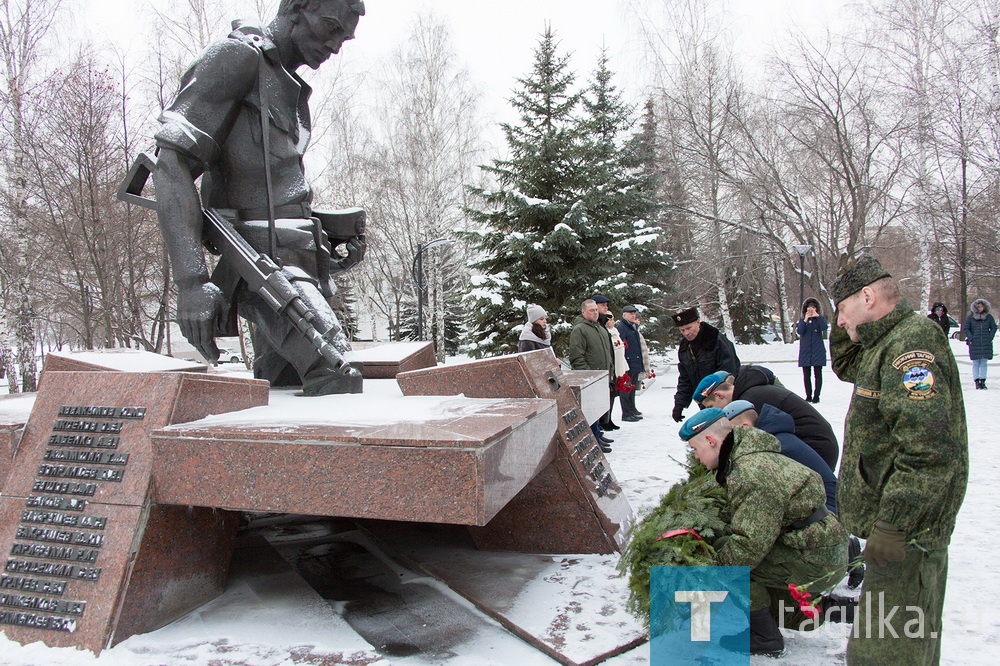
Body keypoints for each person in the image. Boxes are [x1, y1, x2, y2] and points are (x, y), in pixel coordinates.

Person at [152, 0, 367, 395]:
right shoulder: (238, 58)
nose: (335, 46)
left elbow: (269, 188)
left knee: (282, 387)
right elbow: (170, 164)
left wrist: (326, 244)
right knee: (336, 371)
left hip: (295, 259)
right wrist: (191, 281)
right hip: (259, 265)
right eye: (331, 27)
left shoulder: (285, 80)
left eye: (344, 38)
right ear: (297, 9)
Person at [830, 255, 968, 665]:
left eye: (842, 310)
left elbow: (928, 450)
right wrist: (845, 305)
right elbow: (845, 363)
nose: (838, 322)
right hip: (895, 529)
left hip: (908, 533)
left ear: (868, 297)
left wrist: (893, 524)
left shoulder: (911, 344)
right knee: (890, 646)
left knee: (887, 653)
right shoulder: (883, 343)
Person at [679, 409, 849, 657]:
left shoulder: (751, 474)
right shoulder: (751, 457)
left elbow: (747, 548)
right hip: (818, 548)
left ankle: (764, 637)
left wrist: (705, 571)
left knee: (730, 564)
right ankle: (829, 608)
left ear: (710, 441)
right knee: (785, 614)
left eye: (695, 449)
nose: (696, 457)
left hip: (814, 557)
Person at [694, 366, 840, 472]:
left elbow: (754, 445)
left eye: (712, 406)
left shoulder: (752, 401)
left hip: (816, 450)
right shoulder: (752, 391)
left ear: (720, 395)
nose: (717, 412)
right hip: (818, 446)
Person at [722, 400, 837, 514]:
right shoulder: (775, 436)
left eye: (730, 432)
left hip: (828, 512)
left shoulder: (776, 447)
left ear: (745, 427)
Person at [671, 307, 740, 423]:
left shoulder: (716, 340)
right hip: (705, 400)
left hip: (725, 399)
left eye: (689, 328)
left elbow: (729, 372)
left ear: (698, 322)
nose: (686, 333)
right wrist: (680, 404)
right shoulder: (684, 348)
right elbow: (685, 378)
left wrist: (719, 395)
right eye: (682, 330)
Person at [569, 299, 614, 452]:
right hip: (590, 379)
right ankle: (593, 440)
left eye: (596, 310)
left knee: (598, 410)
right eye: (591, 310)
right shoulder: (580, 329)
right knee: (591, 412)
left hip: (602, 378)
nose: (595, 312)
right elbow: (576, 356)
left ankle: (597, 435)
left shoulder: (600, 329)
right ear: (583, 312)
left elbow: (607, 353)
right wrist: (588, 375)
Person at [797, 298, 828, 403]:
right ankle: (808, 395)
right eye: (809, 308)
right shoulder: (803, 320)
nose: (811, 310)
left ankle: (817, 395)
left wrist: (817, 316)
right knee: (806, 375)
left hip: (817, 350)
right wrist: (805, 319)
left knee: (817, 374)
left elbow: (824, 327)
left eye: (813, 308)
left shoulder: (819, 319)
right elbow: (800, 331)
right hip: (806, 351)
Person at [616, 305, 644, 421]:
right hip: (627, 362)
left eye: (634, 313)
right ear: (624, 315)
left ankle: (632, 409)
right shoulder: (622, 327)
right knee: (626, 389)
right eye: (630, 314)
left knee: (632, 387)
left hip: (635, 361)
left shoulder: (633, 327)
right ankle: (626, 413)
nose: (633, 315)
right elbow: (620, 346)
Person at [965, 298, 996, 389]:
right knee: (975, 362)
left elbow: (994, 327)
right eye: (978, 307)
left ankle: (983, 380)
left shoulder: (989, 317)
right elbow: (966, 328)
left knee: (984, 362)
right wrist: (971, 337)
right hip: (975, 342)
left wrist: (990, 337)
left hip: (986, 343)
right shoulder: (971, 317)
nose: (980, 308)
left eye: (982, 306)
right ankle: (976, 380)